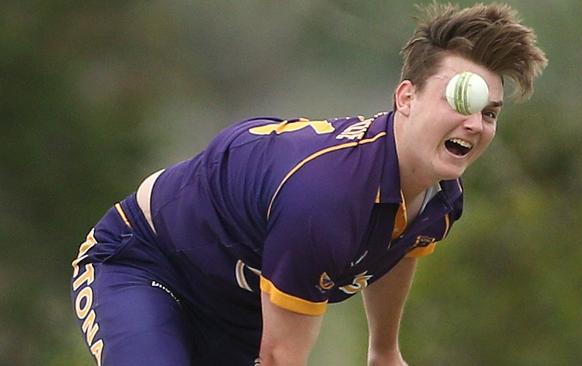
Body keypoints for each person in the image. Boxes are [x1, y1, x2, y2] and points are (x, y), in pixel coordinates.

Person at [70, 2, 547, 365]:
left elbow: (398, 246)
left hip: (236, 311)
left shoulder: (439, 201)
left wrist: (383, 349)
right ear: (406, 97)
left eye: (489, 113)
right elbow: (281, 358)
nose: (475, 124)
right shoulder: (327, 199)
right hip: (142, 263)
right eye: (461, 100)